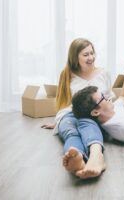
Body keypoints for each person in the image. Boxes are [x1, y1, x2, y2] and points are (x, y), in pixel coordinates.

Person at [41, 38, 114, 179]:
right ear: (75, 57)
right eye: (85, 54)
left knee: (88, 124)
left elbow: (109, 97)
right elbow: (64, 102)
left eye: (92, 53)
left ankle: (96, 156)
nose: (91, 57)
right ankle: (76, 157)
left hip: (91, 115)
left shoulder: (104, 73)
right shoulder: (67, 74)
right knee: (70, 131)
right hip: (70, 113)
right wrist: (57, 122)